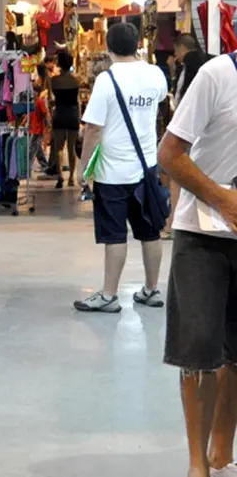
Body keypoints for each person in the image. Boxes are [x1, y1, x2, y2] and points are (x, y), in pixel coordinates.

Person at [158, 51, 237, 477]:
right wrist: (222, 198)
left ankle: (222, 454)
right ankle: (197, 465)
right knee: (200, 348)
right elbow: (170, 154)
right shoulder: (217, 75)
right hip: (203, 235)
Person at [74, 22, 167, 313]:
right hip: (146, 169)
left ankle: (109, 295)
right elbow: (159, 103)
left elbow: (93, 130)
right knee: (150, 232)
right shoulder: (156, 74)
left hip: (112, 173)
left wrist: (82, 168)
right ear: (138, 44)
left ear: (108, 48)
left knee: (114, 235)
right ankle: (151, 289)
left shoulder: (107, 79)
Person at [161, 34, 207, 239]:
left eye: (176, 51)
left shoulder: (193, 65)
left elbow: (183, 97)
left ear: (181, 48)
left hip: (187, 130)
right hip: (195, 129)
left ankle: (172, 222)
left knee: (174, 173)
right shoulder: (200, 63)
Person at [47, 51, 81, 188]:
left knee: (58, 147)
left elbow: (52, 99)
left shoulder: (54, 80)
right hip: (72, 115)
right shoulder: (76, 79)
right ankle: (71, 178)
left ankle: (60, 175)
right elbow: (77, 101)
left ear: (59, 64)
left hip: (59, 114)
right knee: (72, 148)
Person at [29, 63, 51, 170]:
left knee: (33, 147)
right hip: (35, 127)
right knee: (37, 147)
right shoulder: (35, 101)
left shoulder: (38, 101)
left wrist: (48, 123)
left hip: (38, 128)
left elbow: (45, 113)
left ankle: (28, 166)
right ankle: (44, 164)